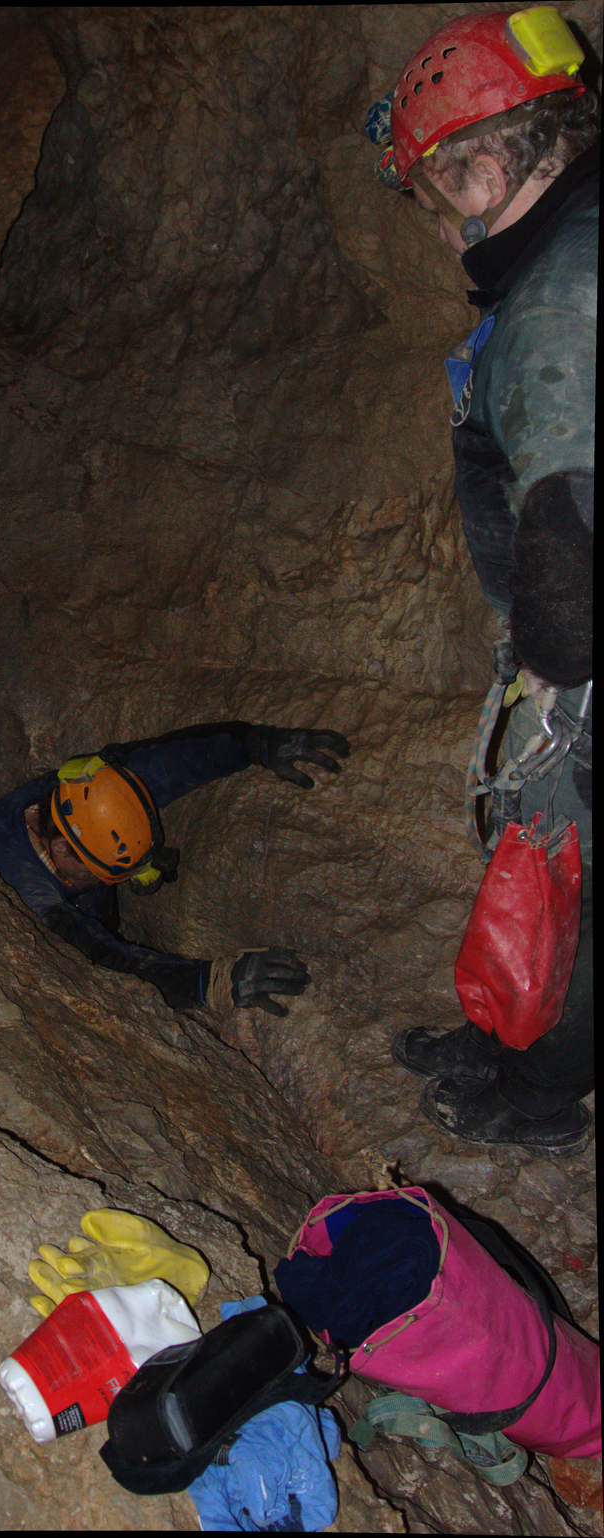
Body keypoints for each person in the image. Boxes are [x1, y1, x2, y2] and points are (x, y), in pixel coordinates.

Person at [367, 7, 595, 1156]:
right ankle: (507, 1036)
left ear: (487, 172)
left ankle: (540, 1093)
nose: (445, 225)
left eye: (437, 194)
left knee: (571, 885)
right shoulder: (578, 244)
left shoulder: (555, 305)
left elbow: (571, 515)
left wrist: (551, 686)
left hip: (583, 660)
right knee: (544, 866)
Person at [0, 722, 350, 1014]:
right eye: (102, 872)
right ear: (59, 848)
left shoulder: (86, 789)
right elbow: (97, 954)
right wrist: (210, 982)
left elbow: (171, 762)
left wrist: (254, 744)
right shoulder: (19, 889)